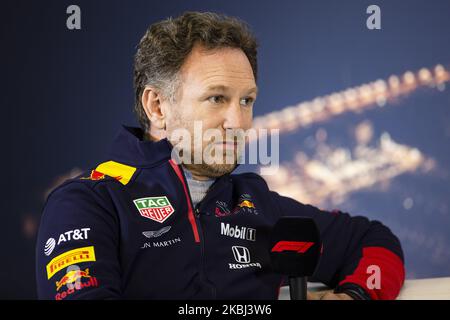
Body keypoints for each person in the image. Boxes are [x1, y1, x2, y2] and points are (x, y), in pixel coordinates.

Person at [36, 11, 405, 300]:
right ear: (158, 106)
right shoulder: (87, 204)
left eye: (247, 101)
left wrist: (356, 295)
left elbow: (376, 243)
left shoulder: (260, 206)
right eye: (217, 98)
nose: (238, 122)